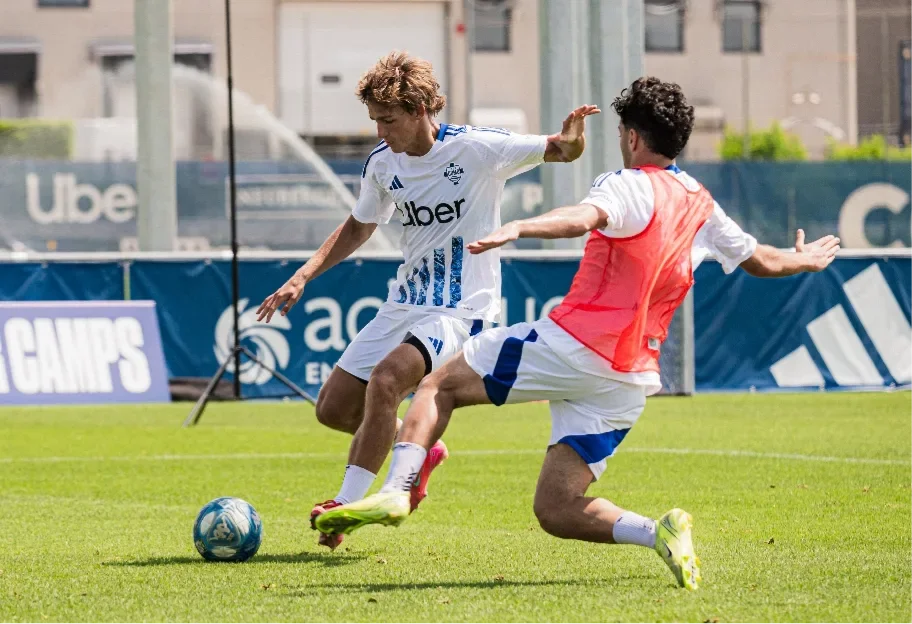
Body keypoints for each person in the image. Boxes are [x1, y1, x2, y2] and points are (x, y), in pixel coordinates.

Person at [313, 77, 841, 589]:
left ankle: (398, 489)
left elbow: (583, 216)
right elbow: (761, 260)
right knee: (556, 508)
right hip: (629, 380)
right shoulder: (701, 202)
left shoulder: (628, 183)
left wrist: (521, 226)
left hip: (575, 345)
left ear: (632, 137)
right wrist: (802, 259)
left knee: (438, 385)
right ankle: (659, 532)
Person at [255, 50, 599, 549]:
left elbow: (560, 151)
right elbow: (360, 224)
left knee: (388, 379)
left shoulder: (477, 149)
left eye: (388, 120)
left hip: (462, 306)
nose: (379, 131)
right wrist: (304, 274)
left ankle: (346, 507)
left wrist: (571, 140)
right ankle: (416, 449)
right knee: (332, 410)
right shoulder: (382, 163)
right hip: (406, 300)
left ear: (420, 110)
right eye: (374, 119)